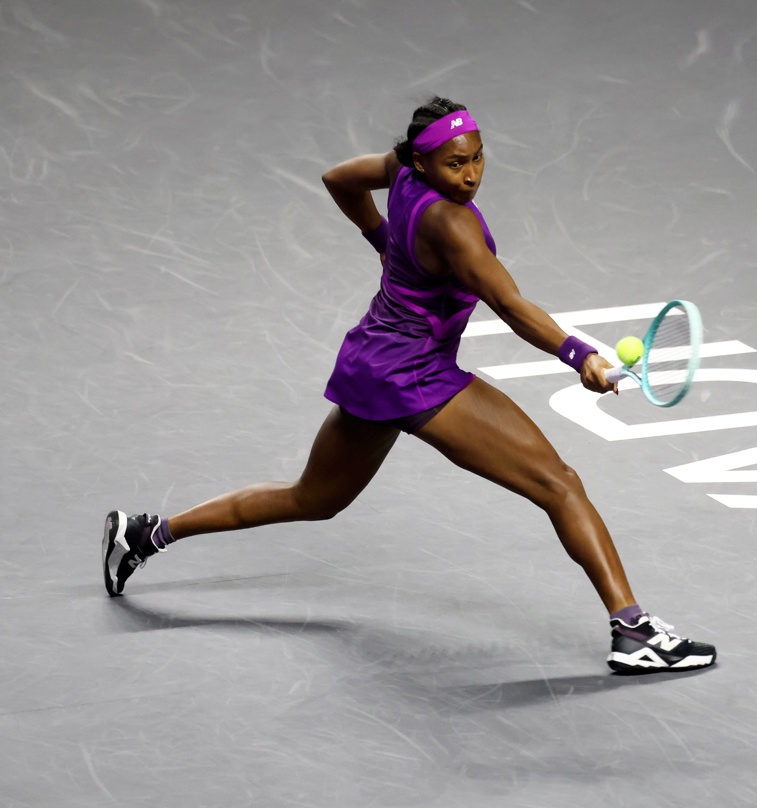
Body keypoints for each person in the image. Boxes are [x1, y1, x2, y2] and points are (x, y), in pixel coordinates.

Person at [102, 96, 716, 675]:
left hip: (374, 362)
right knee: (558, 483)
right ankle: (633, 632)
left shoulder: (400, 172)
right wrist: (579, 354)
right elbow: (508, 302)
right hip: (417, 373)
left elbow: (338, 178)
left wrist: (381, 238)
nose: (471, 174)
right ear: (422, 159)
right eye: (455, 163)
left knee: (311, 499)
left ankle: (145, 533)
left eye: (478, 158)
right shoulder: (454, 227)